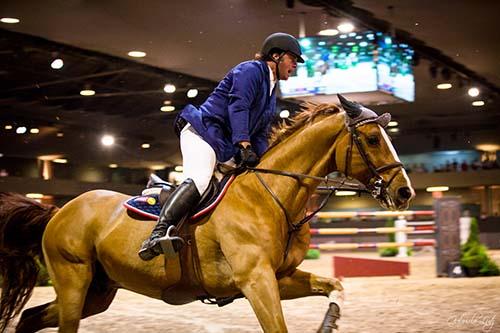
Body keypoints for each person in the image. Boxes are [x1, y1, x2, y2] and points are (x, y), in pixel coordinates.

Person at [138, 32, 304, 261]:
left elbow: (261, 131)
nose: (295, 65)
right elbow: (238, 107)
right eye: (292, 58)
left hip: (224, 143)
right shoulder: (250, 71)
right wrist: (244, 145)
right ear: (276, 56)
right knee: (201, 180)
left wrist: (264, 160)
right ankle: (157, 234)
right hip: (203, 132)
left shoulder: (271, 88)